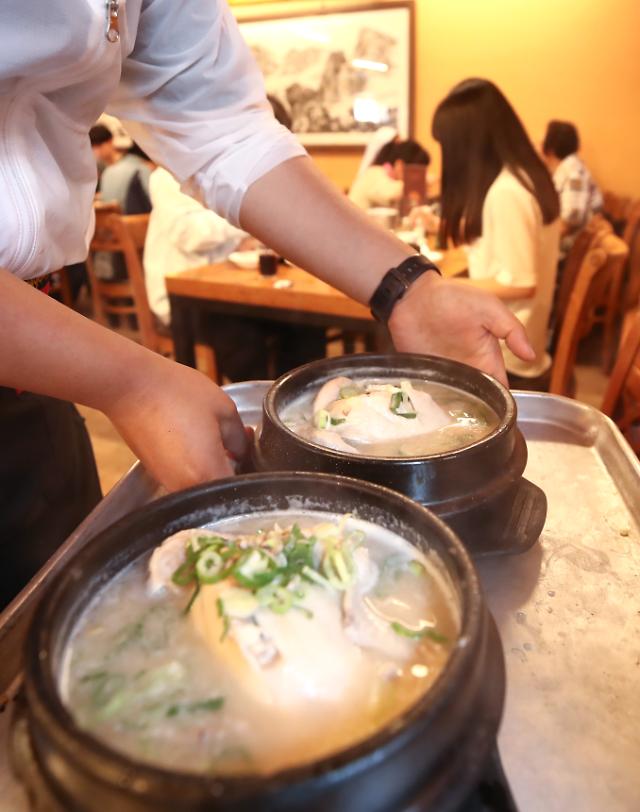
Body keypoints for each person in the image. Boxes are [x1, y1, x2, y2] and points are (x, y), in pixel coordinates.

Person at [0, 1, 533, 608]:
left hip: (39, 378)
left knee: (41, 612)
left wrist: (407, 286)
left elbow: (223, 129)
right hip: (65, 358)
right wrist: (130, 382)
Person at [432, 78, 560, 390]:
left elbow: (520, 283)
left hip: (508, 355)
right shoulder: (524, 178)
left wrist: (442, 285)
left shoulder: (507, 192)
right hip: (524, 339)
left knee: (405, 343)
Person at [542, 120, 603, 257]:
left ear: (550, 149)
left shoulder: (573, 174)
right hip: (568, 246)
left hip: (568, 253)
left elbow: (569, 221)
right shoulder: (570, 169)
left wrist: (538, 241)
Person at [348, 138, 431, 210]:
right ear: (400, 165)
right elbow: (389, 194)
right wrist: (420, 183)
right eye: (417, 172)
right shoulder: (374, 173)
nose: (418, 176)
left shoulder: (386, 176)